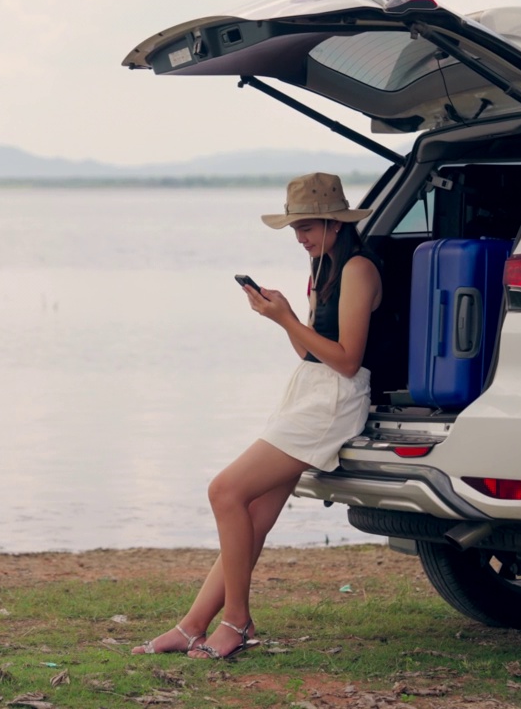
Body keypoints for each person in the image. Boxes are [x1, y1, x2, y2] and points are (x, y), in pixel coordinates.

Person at [131, 172, 382, 660]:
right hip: (309, 391)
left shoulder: (358, 270)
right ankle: (191, 627)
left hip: (334, 400)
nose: (300, 238)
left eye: (306, 227)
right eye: (294, 230)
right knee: (253, 516)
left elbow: (348, 359)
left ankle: (238, 621)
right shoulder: (325, 268)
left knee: (225, 491)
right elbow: (311, 355)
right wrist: (281, 317)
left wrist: (287, 319)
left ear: (333, 222)